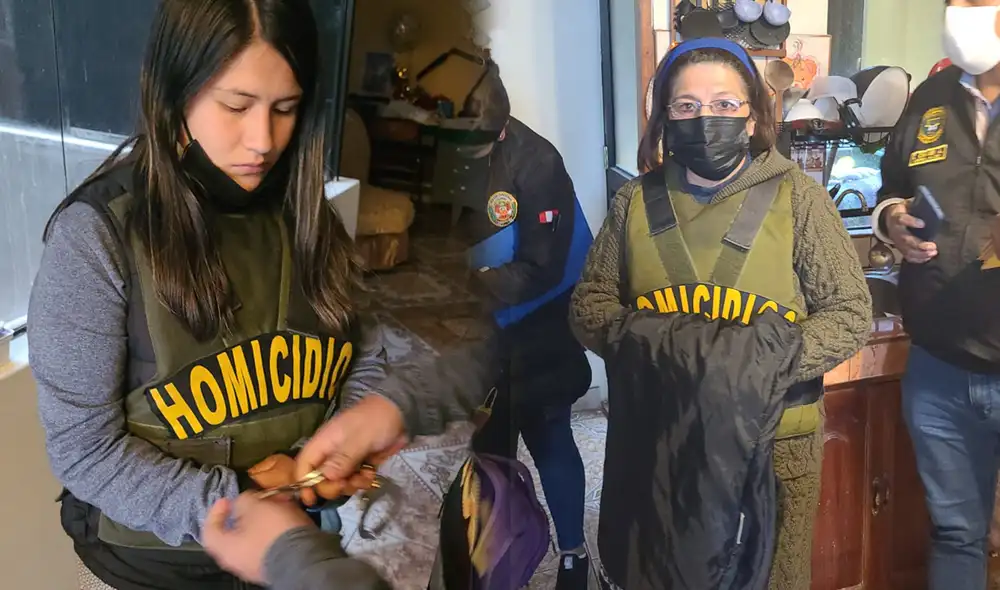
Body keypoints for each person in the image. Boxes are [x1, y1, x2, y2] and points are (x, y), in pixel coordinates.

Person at [27, 0, 418, 588]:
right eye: (236, 106)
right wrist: (238, 498)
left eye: (285, 109)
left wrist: (328, 455)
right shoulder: (96, 236)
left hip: (291, 551)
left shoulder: (311, 218)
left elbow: (364, 355)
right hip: (146, 569)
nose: (263, 141)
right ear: (173, 94)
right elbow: (85, 450)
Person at [566, 38, 871, 589]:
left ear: (752, 118)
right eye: (686, 106)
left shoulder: (800, 199)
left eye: (725, 104)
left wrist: (752, 364)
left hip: (774, 443)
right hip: (662, 435)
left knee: (769, 576)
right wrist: (665, 352)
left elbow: (849, 313)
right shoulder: (633, 202)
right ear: (665, 119)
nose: (705, 118)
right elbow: (590, 303)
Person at [870, 1, 1000, 587]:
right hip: (938, 368)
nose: (960, 13)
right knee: (954, 533)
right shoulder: (931, 96)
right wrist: (892, 219)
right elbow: (893, 184)